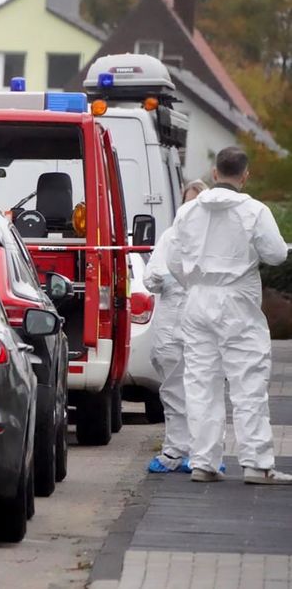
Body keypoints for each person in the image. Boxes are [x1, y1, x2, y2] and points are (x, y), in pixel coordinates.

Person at [167, 147, 291, 484]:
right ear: (245, 175)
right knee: (248, 381)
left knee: (201, 383)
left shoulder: (188, 212)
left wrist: (194, 283)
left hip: (197, 300)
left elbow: (174, 260)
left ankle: (204, 462)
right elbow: (277, 255)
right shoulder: (254, 211)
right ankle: (256, 464)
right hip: (237, 301)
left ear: (214, 173)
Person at [144, 179, 207, 473]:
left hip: (202, 326)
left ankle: (201, 453)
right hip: (171, 327)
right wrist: (167, 278)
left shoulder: (213, 239)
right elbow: (150, 275)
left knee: (202, 392)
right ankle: (174, 451)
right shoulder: (171, 237)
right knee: (172, 392)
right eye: (188, 202)